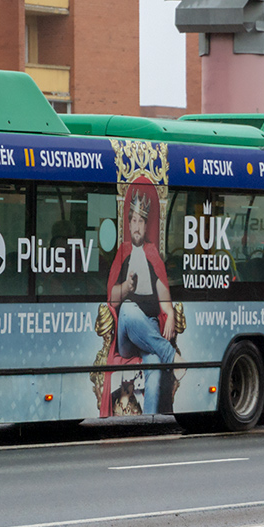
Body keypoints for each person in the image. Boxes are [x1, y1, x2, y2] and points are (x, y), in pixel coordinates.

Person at [104, 178, 176, 415]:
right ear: (129, 223)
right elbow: (113, 299)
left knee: (153, 363)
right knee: (128, 309)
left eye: (141, 221)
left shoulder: (152, 254)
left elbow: (163, 291)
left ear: (146, 226)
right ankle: (170, 355)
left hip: (150, 328)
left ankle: (151, 419)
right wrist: (126, 287)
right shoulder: (123, 252)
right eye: (133, 220)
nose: (136, 226)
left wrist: (171, 313)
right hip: (126, 335)